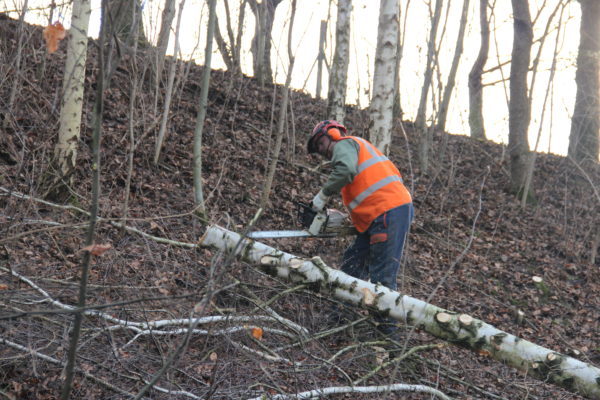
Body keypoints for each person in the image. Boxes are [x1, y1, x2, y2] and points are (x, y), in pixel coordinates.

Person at [307, 120, 414, 338]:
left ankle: (387, 338)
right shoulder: (355, 149)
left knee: (382, 278)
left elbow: (345, 171)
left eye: (320, 143)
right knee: (351, 267)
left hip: (388, 210)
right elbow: (364, 187)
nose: (321, 150)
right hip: (378, 214)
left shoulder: (344, 144)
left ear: (332, 134)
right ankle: (338, 320)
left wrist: (322, 196)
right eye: (317, 148)